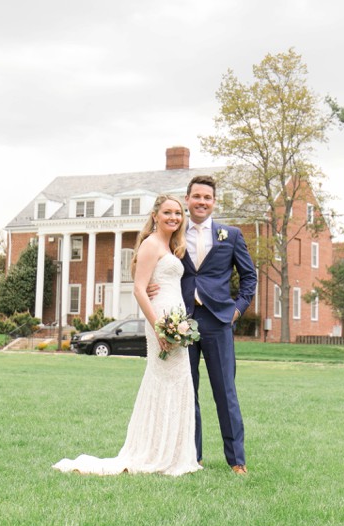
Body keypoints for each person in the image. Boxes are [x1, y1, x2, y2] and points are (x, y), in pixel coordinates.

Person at [53, 195, 202, 476]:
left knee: (180, 382)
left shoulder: (170, 246)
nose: (174, 217)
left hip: (176, 319)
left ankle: (174, 454)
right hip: (160, 319)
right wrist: (159, 326)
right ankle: (154, 453)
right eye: (168, 212)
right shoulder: (150, 244)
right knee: (164, 381)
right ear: (156, 215)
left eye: (178, 213)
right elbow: (138, 289)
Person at [181, 175, 257, 475]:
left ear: (214, 202)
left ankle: (237, 460)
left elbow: (249, 277)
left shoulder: (231, 235)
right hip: (182, 321)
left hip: (218, 322)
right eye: (196, 196)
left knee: (225, 391)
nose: (201, 202)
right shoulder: (173, 233)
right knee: (187, 391)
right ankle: (192, 456)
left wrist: (237, 311)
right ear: (187, 199)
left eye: (207, 197)